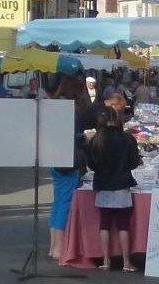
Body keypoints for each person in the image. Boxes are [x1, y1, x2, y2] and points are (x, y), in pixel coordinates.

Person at [88, 104, 142, 271]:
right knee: (123, 225)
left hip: (103, 185)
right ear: (116, 118)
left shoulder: (96, 139)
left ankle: (106, 260)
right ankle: (126, 262)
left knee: (104, 224)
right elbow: (133, 163)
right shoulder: (127, 138)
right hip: (121, 185)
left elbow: (91, 165)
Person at [49, 78, 95, 260]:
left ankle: (54, 246)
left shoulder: (54, 105)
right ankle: (59, 248)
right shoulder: (69, 108)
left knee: (58, 202)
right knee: (65, 204)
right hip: (68, 159)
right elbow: (68, 135)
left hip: (54, 157)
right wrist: (84, 136)